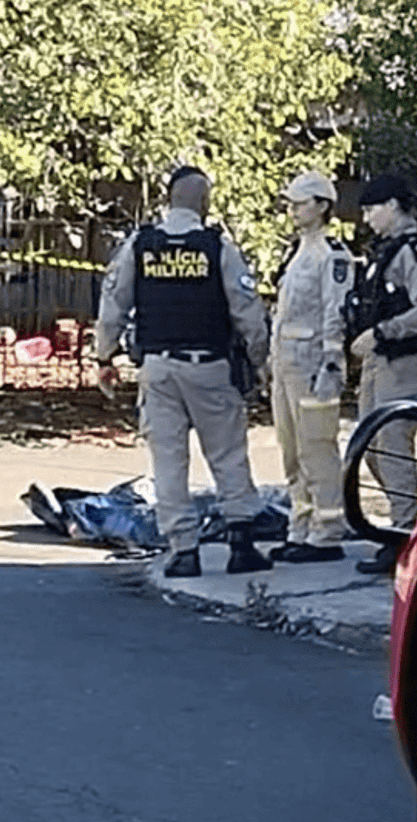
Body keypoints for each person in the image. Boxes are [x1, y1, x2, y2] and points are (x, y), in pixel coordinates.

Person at [94, 165, 273, 578]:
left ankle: (183, 551)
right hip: (210, 366)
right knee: (227, 453)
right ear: (205, 204)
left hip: (158, 368)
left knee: (168, 461)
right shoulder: (218, 248)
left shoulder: (140, 245)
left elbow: (112, 307)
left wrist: (104, 359)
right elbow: (247, 312)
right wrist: (260, 361)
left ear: (167, 200)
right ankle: (241, 545)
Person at [348, 173, 417, 574]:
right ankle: (403, 527)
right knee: (369, 448)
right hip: (378, 361)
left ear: (393, 206)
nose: (367, 218)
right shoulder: (384, 251)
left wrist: (384, 331)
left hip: (404, 362)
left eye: (372, 209)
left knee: (392, 446)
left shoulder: (415, 252)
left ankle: (406, 536)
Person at [268, 170, 354, 563]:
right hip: (285, 363)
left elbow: (335, 313)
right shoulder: (297, 250)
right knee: (291, 450)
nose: (293, 210)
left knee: (317, 447)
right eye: (291, 203)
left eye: (301, 203)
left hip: (312, 363)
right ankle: (299, 527)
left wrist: (332, 363)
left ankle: (328, 531)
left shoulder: (331, 253)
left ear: (322, 206)